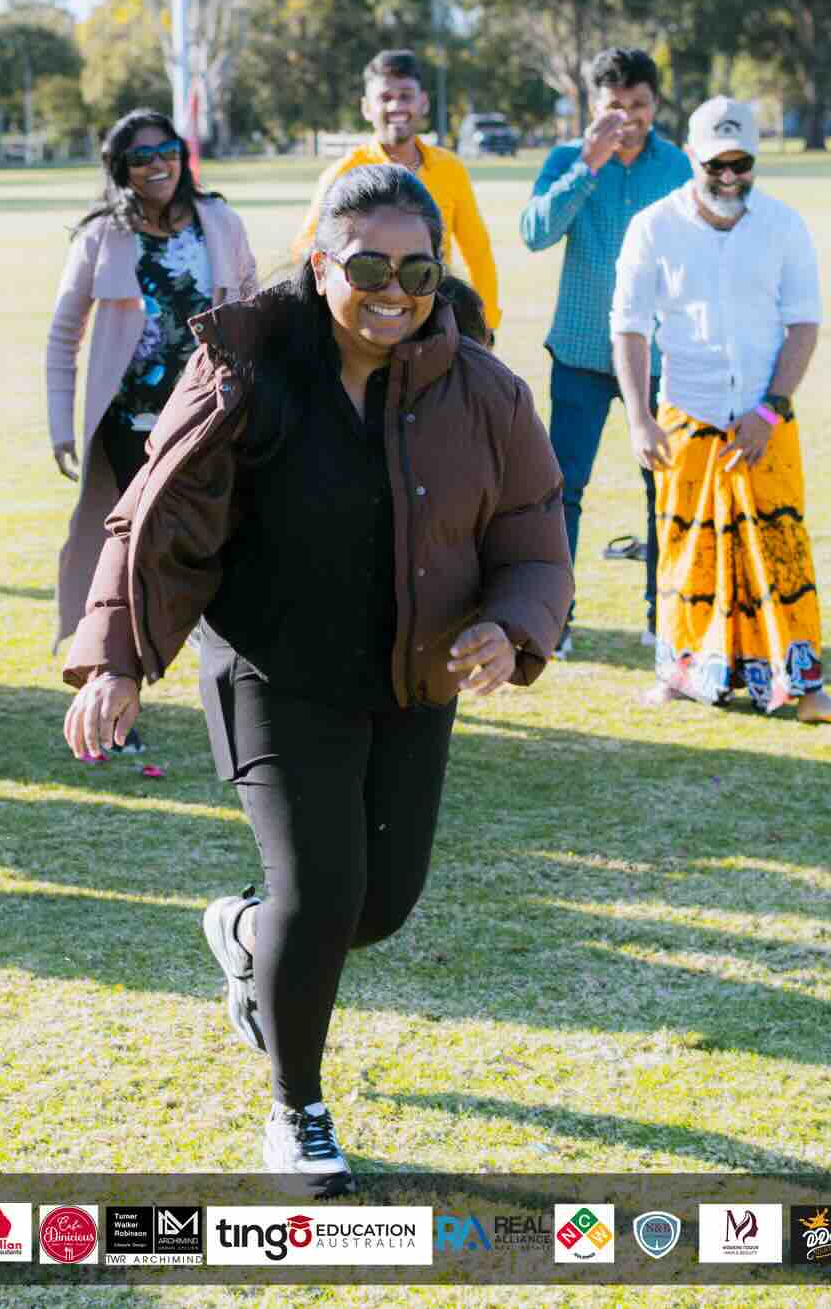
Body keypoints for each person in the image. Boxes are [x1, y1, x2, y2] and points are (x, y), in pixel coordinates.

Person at [62, 165, 571, 1193]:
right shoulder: (243, 369)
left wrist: (508, 629)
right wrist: (113, 660)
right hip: (272, 670)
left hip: (409, 676)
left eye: (417, 270)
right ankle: (296, 1109)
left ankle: (244, 932)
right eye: (370, 265)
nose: (395, 290)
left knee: (378, 906)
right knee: (321, 887)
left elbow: (533, 537)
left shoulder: (481, 389)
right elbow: (153, 517)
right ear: (320, 263)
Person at [612, 97, 831, 724]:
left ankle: (805, 689)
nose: (728, 178)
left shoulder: (783, 226)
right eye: (715, 164)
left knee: (780, 552)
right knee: (684, 551)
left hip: (764, 421)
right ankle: (679, 674)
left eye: (741, 164)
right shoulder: (652, 227)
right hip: (684, 417)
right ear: (691, 157)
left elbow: (804, 324)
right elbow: (630, 329)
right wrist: (639, 418)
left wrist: (770, 410)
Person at [46, 108, 257, 757]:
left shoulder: (219, 221)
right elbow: (63, 334)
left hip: (204, 421)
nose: (158, 164)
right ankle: (110, 695)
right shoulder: (102, 236)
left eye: (167, 149)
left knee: (218, 548)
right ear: (121, 170)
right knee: (124, 561)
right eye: (141, 157)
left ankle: (239, 689)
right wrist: (62, 422)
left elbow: (251, 313)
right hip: (128, 427)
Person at [520, 47, 692, 658]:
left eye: (640, 105)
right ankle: (555, 619)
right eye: (616, 106)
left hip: (661, 358)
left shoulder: (677, 166)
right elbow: (536, 231)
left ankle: (664, 616)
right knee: (562, 488)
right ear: (594, 107)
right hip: (581, 353)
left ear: (655, 105)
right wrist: (587, 166)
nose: (630, 117)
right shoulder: (569, 160)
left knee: (664, 486)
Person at [292, 50, 501, 335]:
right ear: (366, 108)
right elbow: (306, 253)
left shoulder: (450, 169)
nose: (396, 106)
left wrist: (486, 323)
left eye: (406, 96)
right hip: (362, 327)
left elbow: (478, 252)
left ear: (423, 102)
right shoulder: (342, 174)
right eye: (385, 97)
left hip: (431, 322)